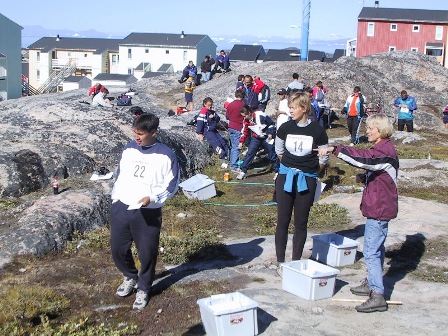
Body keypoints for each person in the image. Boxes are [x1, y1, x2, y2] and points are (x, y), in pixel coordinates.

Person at [316, 114, 398, 313]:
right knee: (376, 249)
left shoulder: (384, 151)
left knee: (370, 251)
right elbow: (376, 168)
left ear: (381, 130)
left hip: (379, 209)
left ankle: (378, 295)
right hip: (378, 206)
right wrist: (367, 177)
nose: (367, 131)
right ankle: (372, 282)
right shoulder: (383, 148)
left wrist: (337, 149)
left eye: (371, 128)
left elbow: (366, 159)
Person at [110, 113, 180, 310]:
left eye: (140, 133)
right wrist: (116, 198)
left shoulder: (166, 155)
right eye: (134, 132)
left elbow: (172, 185)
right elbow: (120, 174)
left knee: (147, 253)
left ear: (153, 132)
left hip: (147, 211)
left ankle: (143, 287)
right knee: (118, 248)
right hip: (122, 206)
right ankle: (130, 276)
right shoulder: (129, 148)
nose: (136, 137)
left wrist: (153, 199)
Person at [274, 92, 329, 274]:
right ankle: (280, 262)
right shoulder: (285, 128)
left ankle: (295, 261)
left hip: (307, 179)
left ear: (304, 108)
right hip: (286, 177)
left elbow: (323, 157)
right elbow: (279, 151)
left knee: (301, 222)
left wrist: (311, 169)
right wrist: (290, 167)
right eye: (289, 108)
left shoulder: (318, 131)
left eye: (293, 108)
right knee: (282, 220)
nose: (290, 111)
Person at [236, 105, 278, 180]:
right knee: (250, 153)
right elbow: (245, 131)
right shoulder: (246, 121)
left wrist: (271, 133)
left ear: (249, 113)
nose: (244, 117)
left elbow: (272, 124)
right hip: (256, 137)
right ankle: (243, 171)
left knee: (271, 153)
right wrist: (241, 142)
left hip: (266, 137)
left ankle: (277, 171)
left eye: (245, 115)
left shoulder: (261, 115)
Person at [196, 97, 229, 168]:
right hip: (207, 131)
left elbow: (218, 118)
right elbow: (200, 123)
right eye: (208, 105)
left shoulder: (212, 112)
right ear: (204, 104)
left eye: (211, 105)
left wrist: (214, 116)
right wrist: (199, 133)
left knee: (223, 142)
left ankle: (229, 156)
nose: (210, 106)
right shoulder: (203, 113)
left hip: (214, 130)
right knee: (217, 144)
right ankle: (223, 158)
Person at [226, 90, 246, 172]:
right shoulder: (243, 105)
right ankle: (233, 166)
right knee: (236, 147)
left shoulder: (230, 104)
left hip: (230, 126)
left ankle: (231, 162)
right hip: (238, 127)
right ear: (243, 96)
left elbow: (227, 116)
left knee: (232, 146)